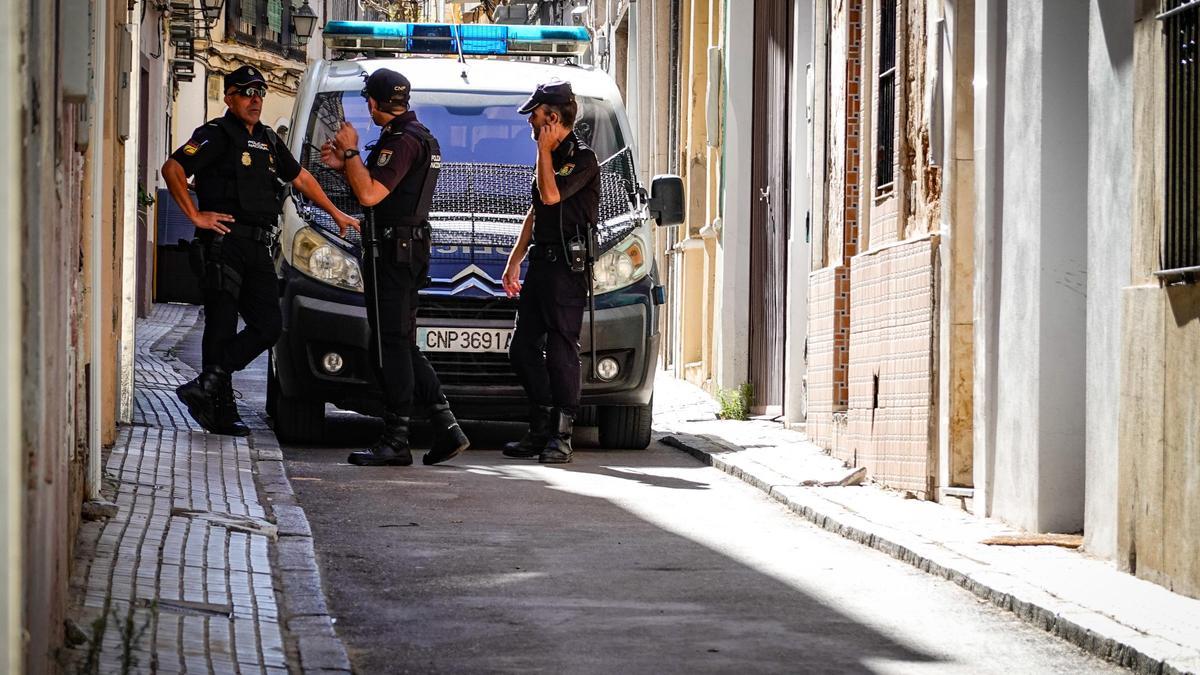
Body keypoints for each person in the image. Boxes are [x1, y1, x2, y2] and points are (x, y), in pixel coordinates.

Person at [164, 65, 358, 436]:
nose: (255, 99)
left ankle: (208, 384)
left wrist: (336, 214)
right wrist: (195, 215)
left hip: (258, 245)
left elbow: (299, 176)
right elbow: (172, 167)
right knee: (220, 327)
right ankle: (219, 410)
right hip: (224, 242)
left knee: (269, 325)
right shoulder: (215, 135)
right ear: (230, 98)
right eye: (247, 92)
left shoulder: (268, 138)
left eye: (260, 92)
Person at [320, 68, 470, 467]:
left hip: (394, 253)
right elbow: (383, 188)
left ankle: (396, 438)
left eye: (367, 100)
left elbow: (369, 194)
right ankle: (446, 427)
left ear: (373, 102)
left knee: (390, 347)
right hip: (403, 250)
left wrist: (351, 152)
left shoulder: (403, 141)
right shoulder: (412, 136)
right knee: (397, 343)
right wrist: (345, 166)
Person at [501, 80, 601, 464]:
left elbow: (550, 196)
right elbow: (536, 211)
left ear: (553, 117)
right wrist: (514, 260)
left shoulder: (583, 158)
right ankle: (541, 425)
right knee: (522, 348)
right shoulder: (548, 156)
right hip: (542, 264)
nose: (530, 121)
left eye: (535, 115)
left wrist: (543, 152)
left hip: (568, 269)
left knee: (561, 350)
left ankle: (561, 435)